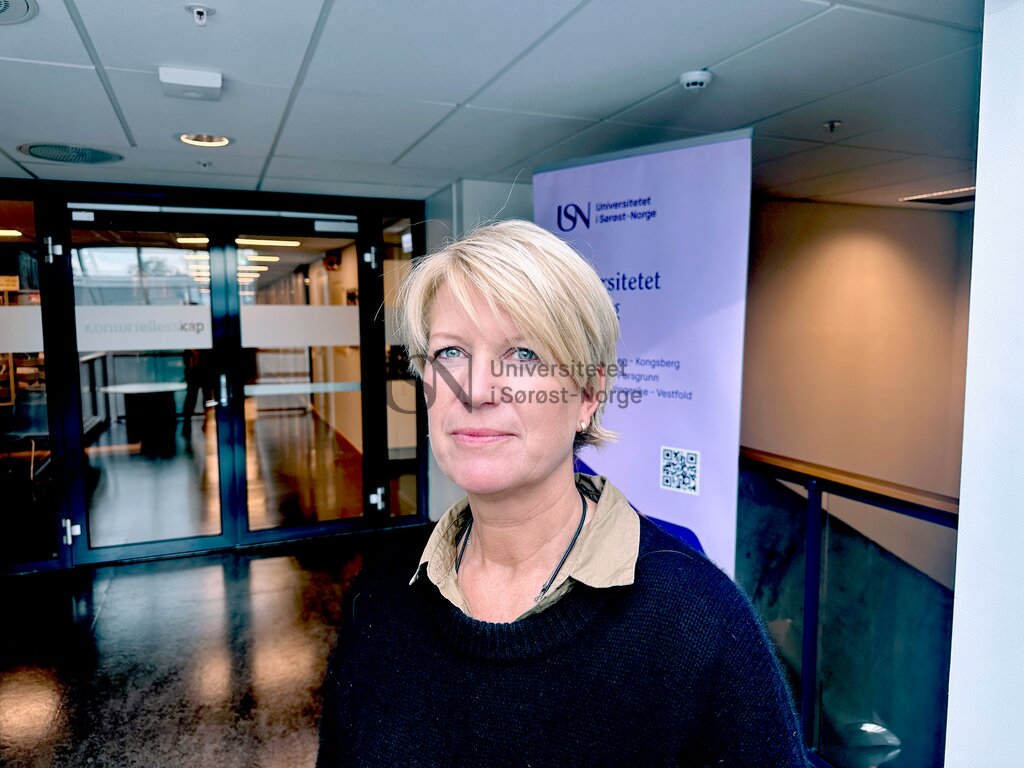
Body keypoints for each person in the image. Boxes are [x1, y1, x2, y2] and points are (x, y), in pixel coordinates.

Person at [316, 220, 806, 766]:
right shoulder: (381, 594)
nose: (474, 390)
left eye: (523, 354)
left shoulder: (699, 625)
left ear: (588, 396)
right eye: (450, 352)